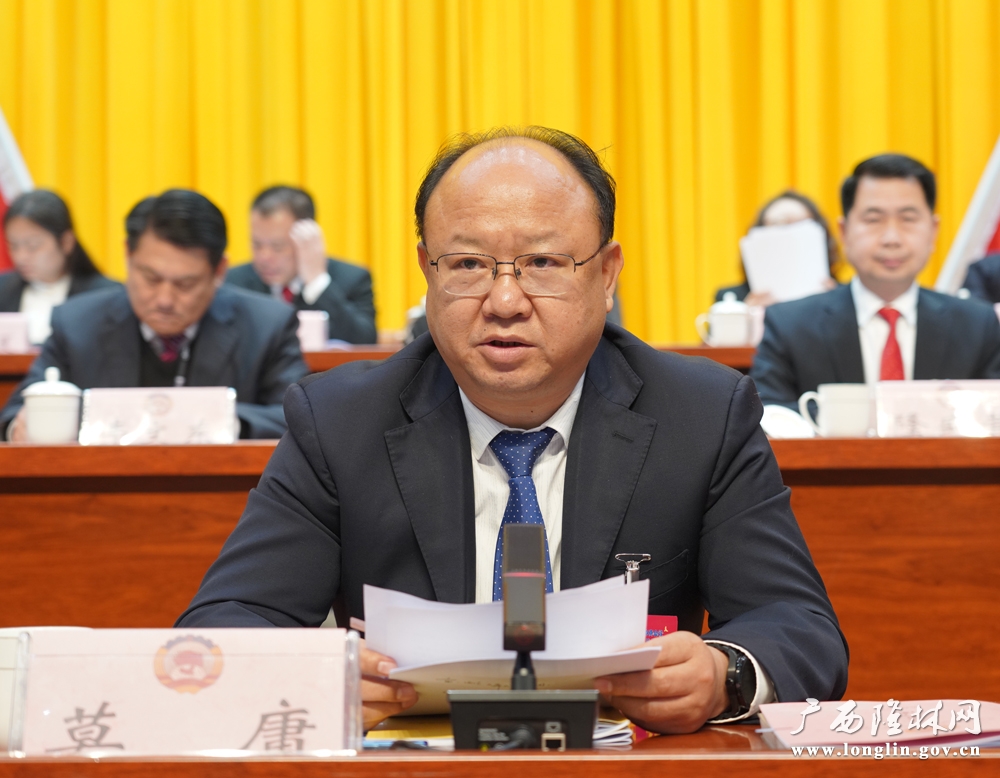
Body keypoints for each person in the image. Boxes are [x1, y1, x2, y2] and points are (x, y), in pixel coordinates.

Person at [177, 127, 847, 735]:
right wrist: (321, 678)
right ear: (427, 271)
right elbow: (223, 625)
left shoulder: (700, 415)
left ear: (607, 274)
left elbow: (800, 628)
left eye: (543, 264)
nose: (503, 301)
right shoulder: (339, 422)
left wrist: (723, 674)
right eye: (468, 265)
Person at [0, 189, 309, 440]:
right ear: (127, 254)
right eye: (150, 278)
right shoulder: (77, 324)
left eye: (185, 284)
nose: (164, 300)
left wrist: (214, 420)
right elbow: (13, 416)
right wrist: (22, 428)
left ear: (219, 271)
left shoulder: (267, 326)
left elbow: (301, 421)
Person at [751, 154, 1000, 410]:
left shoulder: (978, 326)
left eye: (908, 219)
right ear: (844, 232)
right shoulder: (788, 325)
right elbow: (772, 415)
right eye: (873, 220)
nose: (891, 238)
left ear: (933, 231)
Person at [225, 185, 377, 344]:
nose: (264, 257)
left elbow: (365, 342)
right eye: (257, 245)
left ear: (307, 239)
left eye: (277, 246)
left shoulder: (351, 279)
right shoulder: (233, 283)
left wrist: (317, 283)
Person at [1, 189, 119, 343]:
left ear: (66, 242)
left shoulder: (104, 296)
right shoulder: (3, 290)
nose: (20, 257)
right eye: (14, 246)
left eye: (33, 246)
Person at [715, 190, 840, 307]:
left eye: (798, 225)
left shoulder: (843, 296)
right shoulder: (731, 301)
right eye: (777, 224)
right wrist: (744, 317)